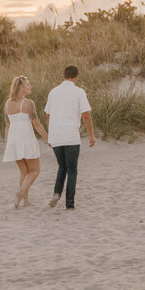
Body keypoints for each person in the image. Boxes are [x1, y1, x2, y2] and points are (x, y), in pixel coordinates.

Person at [44, 64, 95, 210]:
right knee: (72, 169)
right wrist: (91, 135)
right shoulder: (79, 92)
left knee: (62, 166)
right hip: (71, 136)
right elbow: (86, 115)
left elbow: (48, 115)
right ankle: (70, 203)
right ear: (76, 77)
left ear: (63, 76)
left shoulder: (53, 92)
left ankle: (56, 193)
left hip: (56, 136)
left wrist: (50, 135)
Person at [2, 75, 48, 208]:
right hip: (26, 140)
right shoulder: (29, 103)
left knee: (24, 172)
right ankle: (21, 193)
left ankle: (25, 201)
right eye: (28, 84)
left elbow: (7, 126)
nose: (30, 86)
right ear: (22, 88)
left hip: (13, 141)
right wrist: (47, 138)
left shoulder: (7, 104)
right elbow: (37, 124)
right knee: (35, 170)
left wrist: (6, 144)